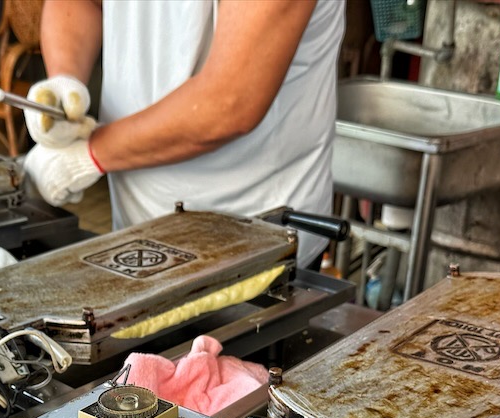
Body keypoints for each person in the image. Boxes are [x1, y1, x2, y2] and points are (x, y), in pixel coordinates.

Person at [23, 0, 346, 266]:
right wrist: (65, 82)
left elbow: (230, 103)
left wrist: (87, 155)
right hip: (137, 229)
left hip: (256, 234)